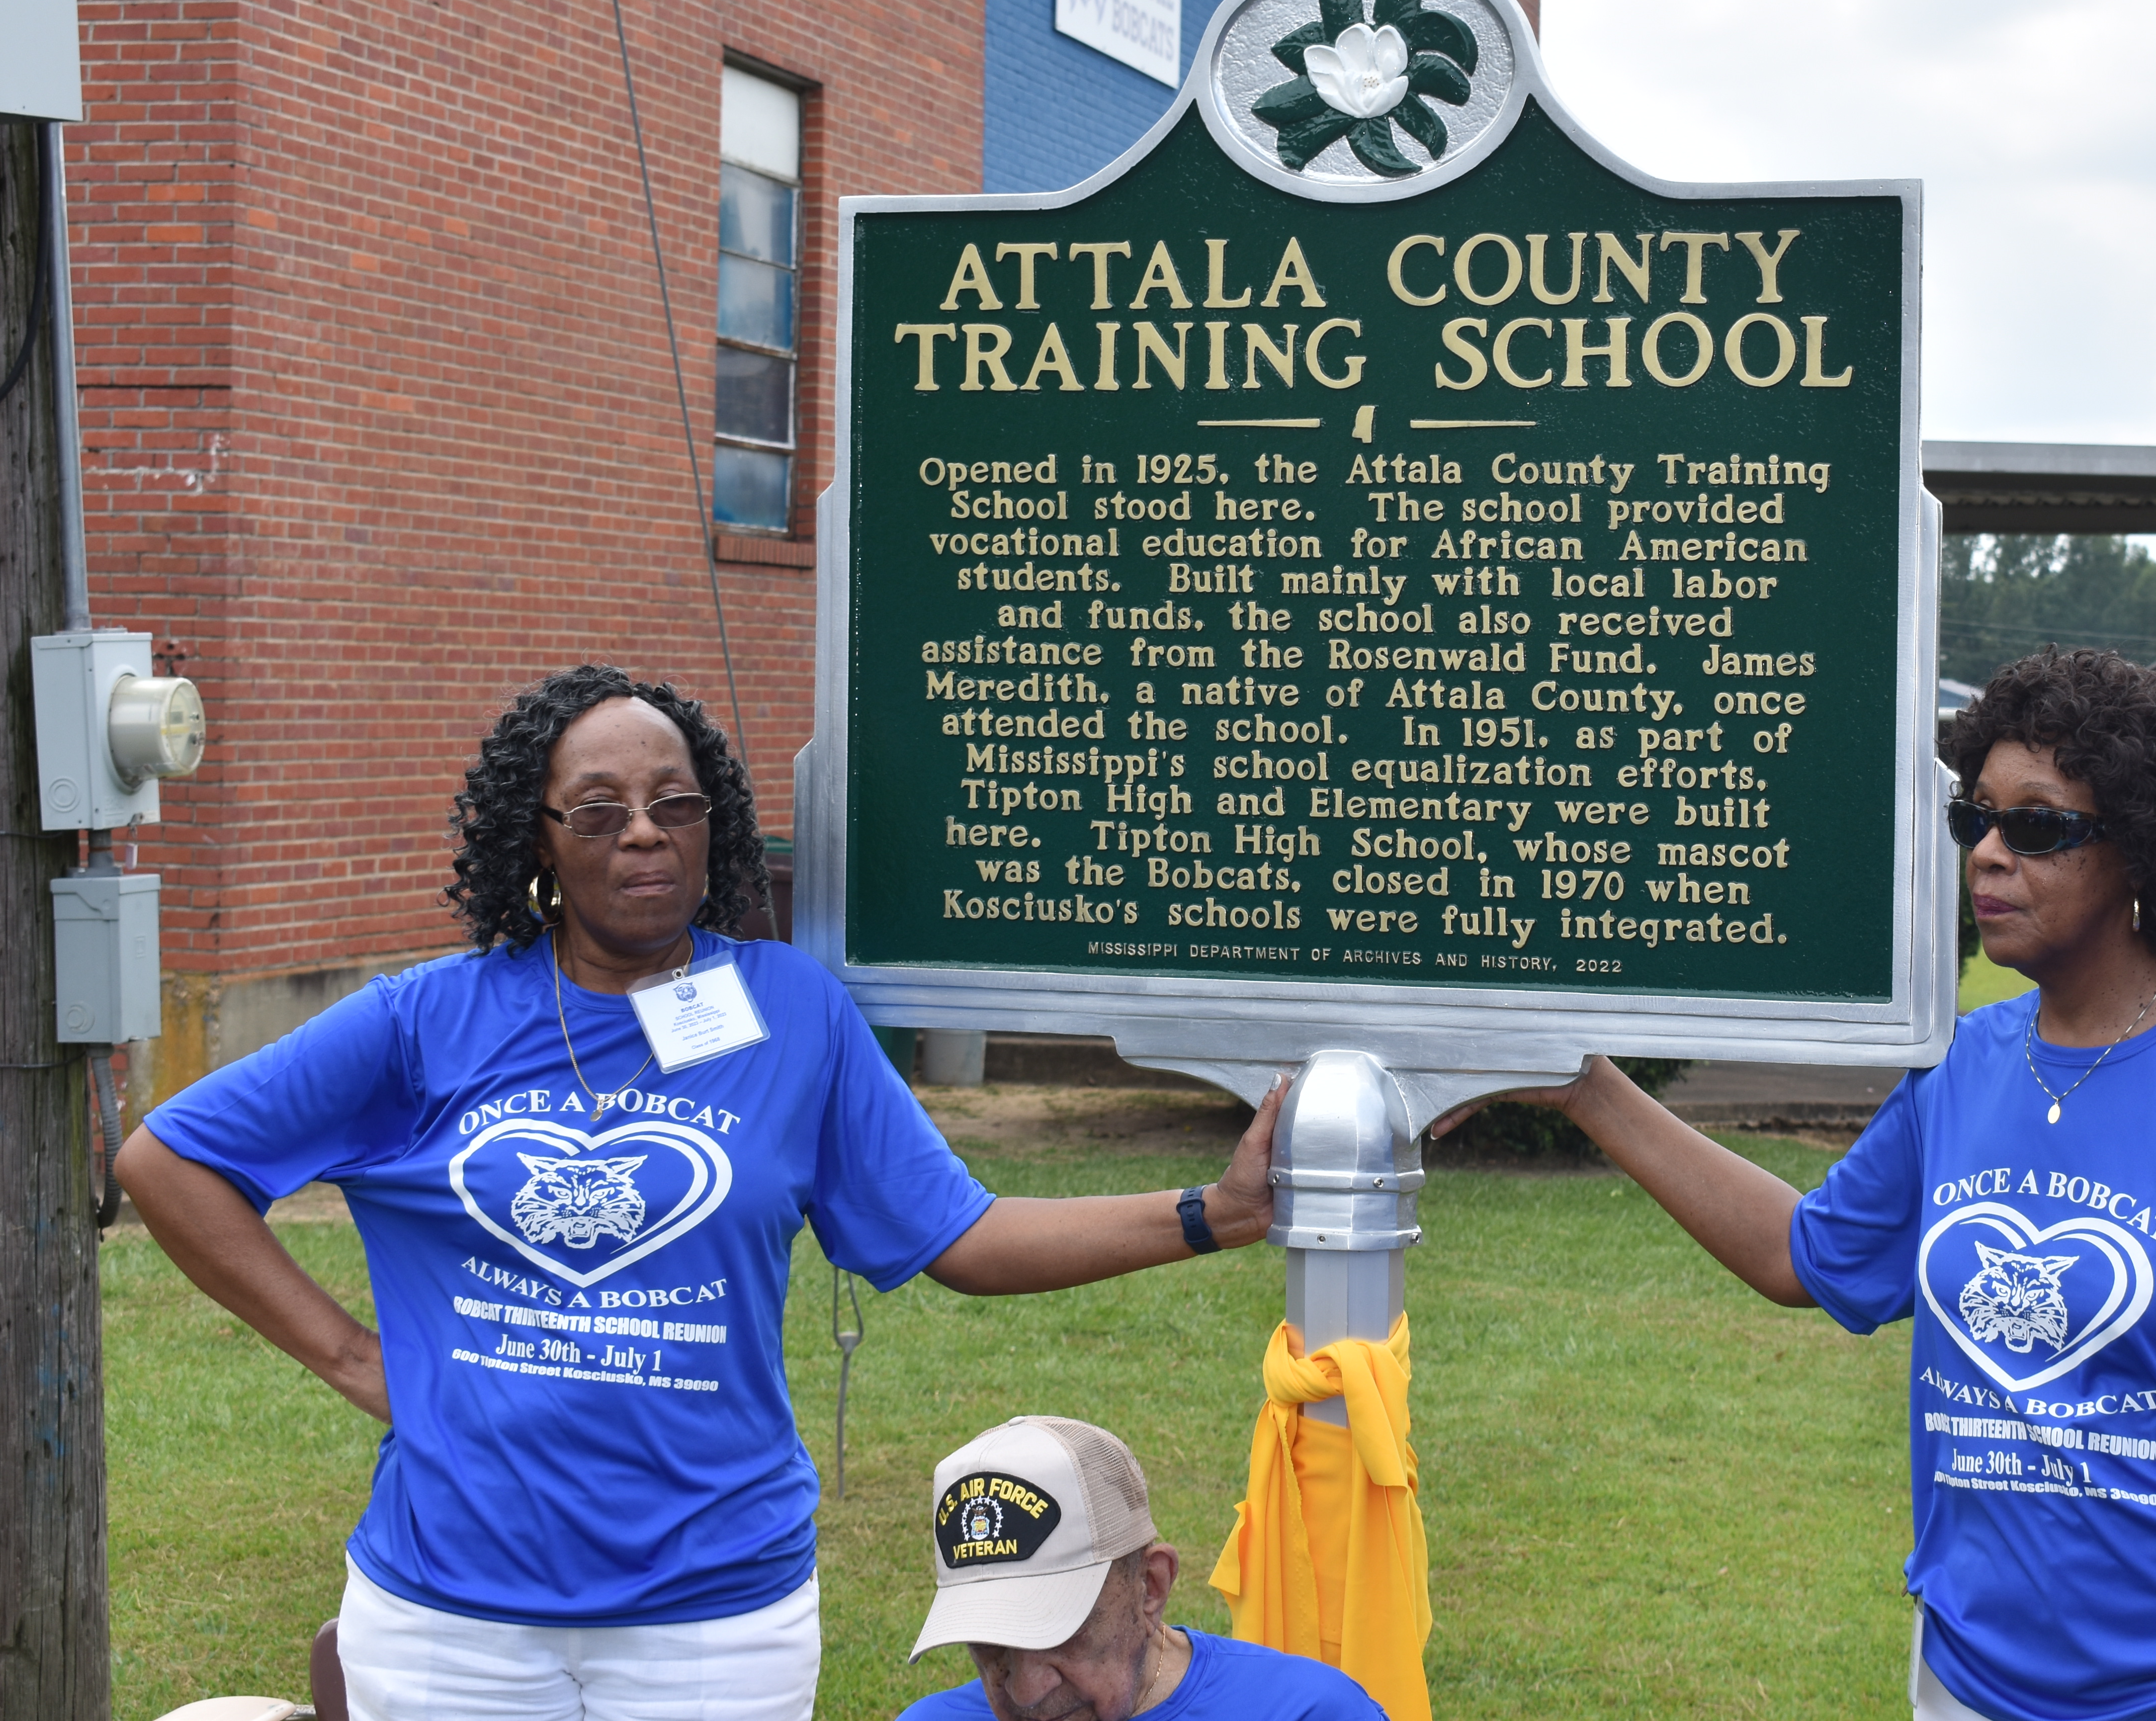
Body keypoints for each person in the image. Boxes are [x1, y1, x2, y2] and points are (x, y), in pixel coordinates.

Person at [115, 666, 1286, 1721]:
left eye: (674, 804)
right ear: (537, 836)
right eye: (598, 809)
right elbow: (169, 1161)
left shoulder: (791, 1012)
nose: (643, 832)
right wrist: (355, 1359)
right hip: (450, 1605)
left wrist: (1213, 1213)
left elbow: (963, 1232)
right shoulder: (428, 1021)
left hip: (716, 1607)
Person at [1447, 648, 2156, 1721]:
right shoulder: (1963, 1065)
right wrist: (1587, 1087)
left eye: (2037, 826)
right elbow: (1803, 1253)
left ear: (2143, 849)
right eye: (1975, 819)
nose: (1986, 854)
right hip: (1971, 1678)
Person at [897, 1416, 1386, 1720]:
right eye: (990, 1643)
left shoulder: (1306, 1712)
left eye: (1057, 1634)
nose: (1025, 1692)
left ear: (1151, 1585)